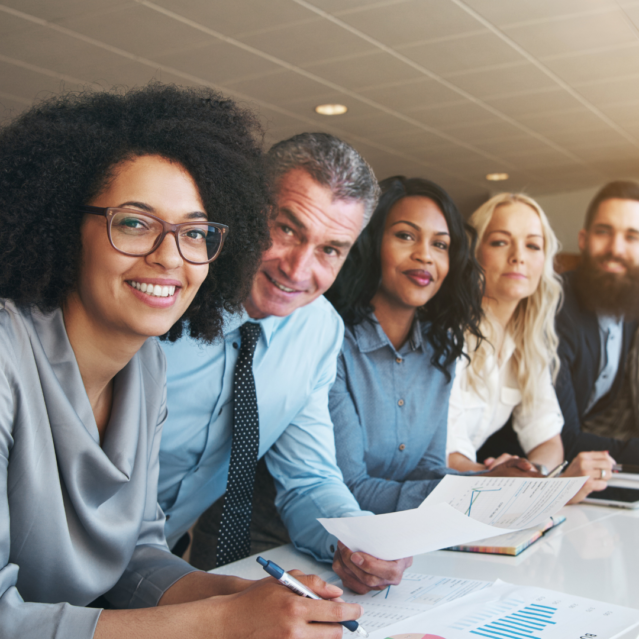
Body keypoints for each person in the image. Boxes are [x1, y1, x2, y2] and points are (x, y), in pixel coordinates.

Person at [0, 87, 362, 639]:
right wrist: (220, 622)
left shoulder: (145, 367)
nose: (169, 257)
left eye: (193, 232)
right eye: (134, 223)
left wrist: (241, 597)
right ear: (61, 225)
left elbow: (137, 554)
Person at [159, 133, 412, 594]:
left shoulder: (318, 331)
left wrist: (356, 541)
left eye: (330, 249)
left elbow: (309, 478)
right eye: (287, 230)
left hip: (157, 564)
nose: (297, 270)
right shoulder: (163, 294)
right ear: (248, 208)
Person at [325, 177, 543, 514]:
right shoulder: (333, 342)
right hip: (302, 546)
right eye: (405, 236)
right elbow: (350, 487)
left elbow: (426, 470)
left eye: (440, 245)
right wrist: (479, 492)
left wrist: (490, 480)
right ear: (370, 243)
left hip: (394, 540)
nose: (424, 255)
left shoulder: (440, 348)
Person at [446, 193, 611, 501]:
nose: (518, 256)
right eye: (500, 242)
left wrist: (535, 474)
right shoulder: (446, 335)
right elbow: (445, 456)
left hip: (475, 495)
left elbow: (549, 442)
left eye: (533, 245)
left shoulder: (527, 342)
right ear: (473, 253)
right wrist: (524, 483)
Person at [555, 181, 639, 464]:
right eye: (604, 232)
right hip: (508, 472)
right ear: (583, 239)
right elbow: (561, 436)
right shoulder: (555, 307)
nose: (615, 248)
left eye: (632, 236)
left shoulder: (628, 303)